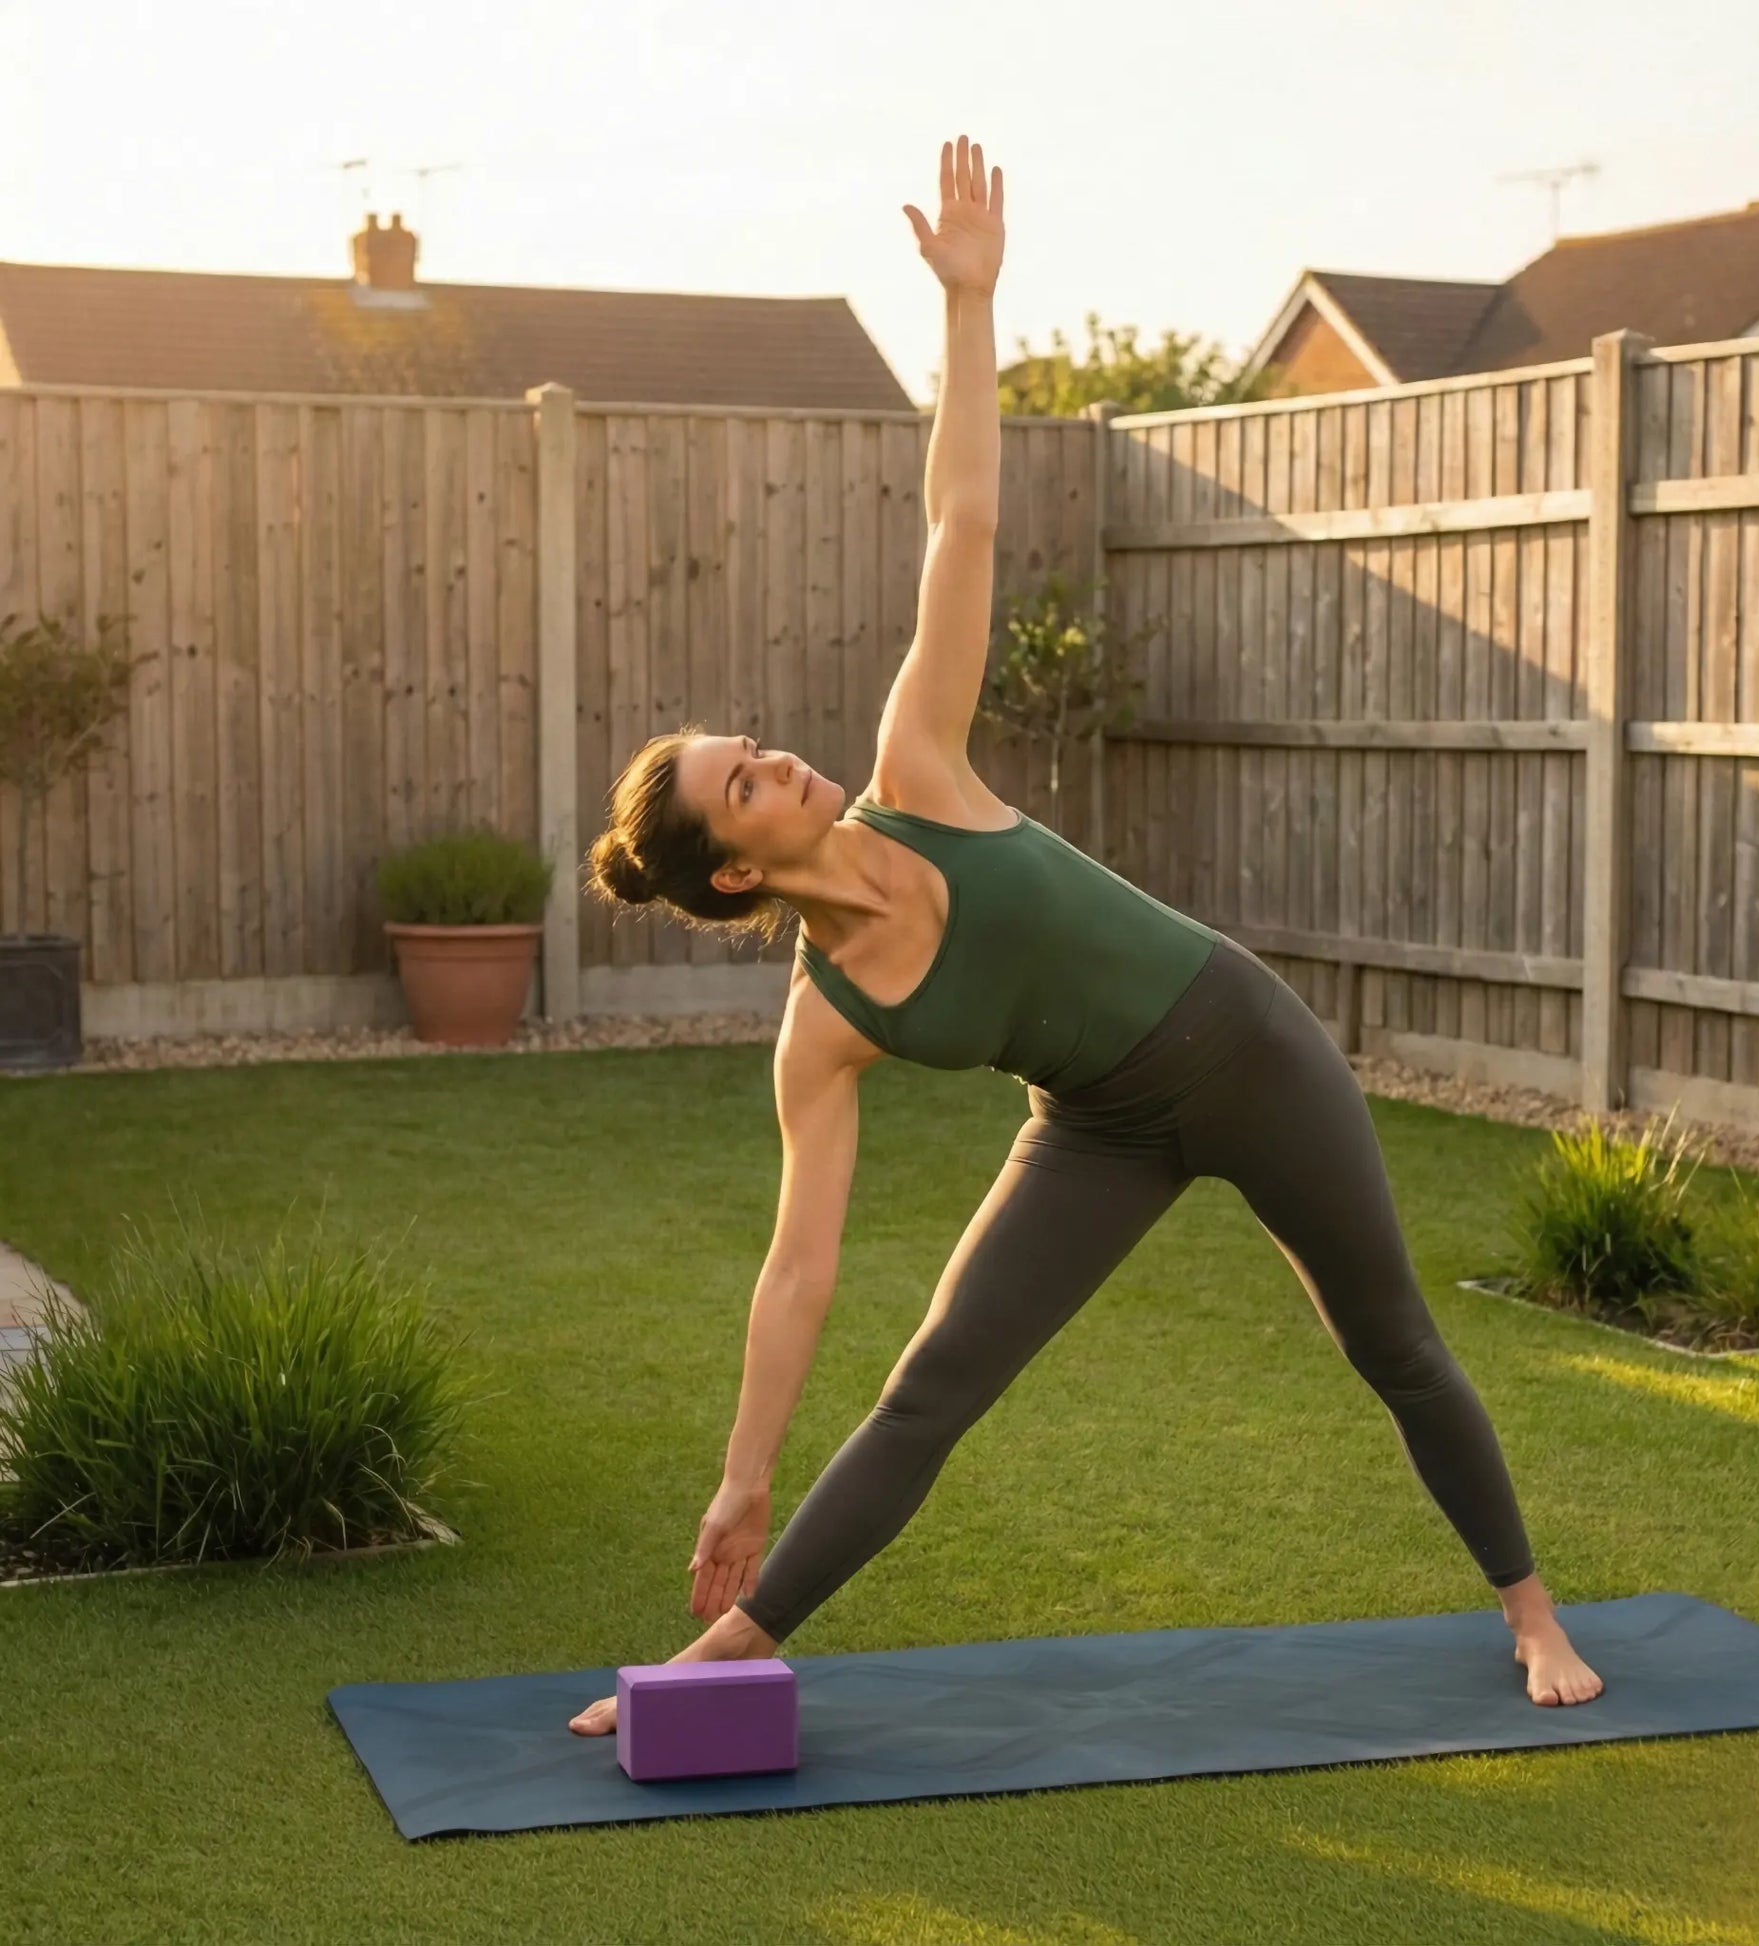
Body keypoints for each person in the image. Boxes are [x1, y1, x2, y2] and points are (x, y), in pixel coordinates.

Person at [570, 136, 1603, 1737]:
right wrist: (739, 1476)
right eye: (744, 781)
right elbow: (798, 1270)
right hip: (1096, 1127)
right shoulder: (825, 1017)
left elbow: (959, 525)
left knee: (1385, 1335)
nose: (774, 757)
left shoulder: (917, 766)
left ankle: (1527, 1605)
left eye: (754, 744)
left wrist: (971, 307)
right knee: (934, 1380)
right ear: (729, 874)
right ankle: (727, 1653)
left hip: (1243, 1046)